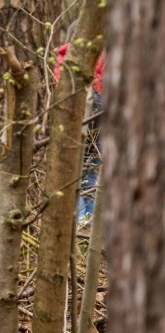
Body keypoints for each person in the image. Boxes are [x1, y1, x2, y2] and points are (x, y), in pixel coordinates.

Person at [53, 25, 105, 223]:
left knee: (81, 171)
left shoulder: (64, 56)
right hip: (88, 119)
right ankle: (85, 219)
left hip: (84, 120)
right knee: (85, 170)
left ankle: (83, 219)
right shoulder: (97, 54)